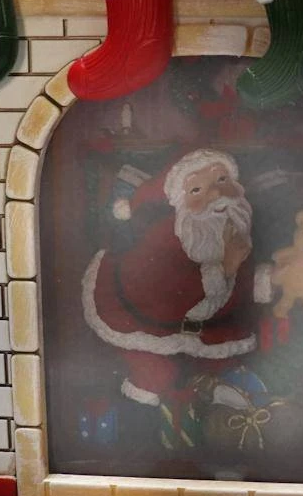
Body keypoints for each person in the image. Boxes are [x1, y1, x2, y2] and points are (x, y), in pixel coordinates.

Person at [82, 148, 272, 407]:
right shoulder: (168, 235)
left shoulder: (236, 228)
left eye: (221, 179)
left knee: (223, 361)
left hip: (207, 325)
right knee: (154, 373)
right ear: (180, 200)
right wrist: (227, 266)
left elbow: (244, 277)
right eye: (197, 190)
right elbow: (170, 292)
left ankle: (212, 393)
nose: (216, 194)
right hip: (149, 320)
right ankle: (144, 400)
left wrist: (265, 280)